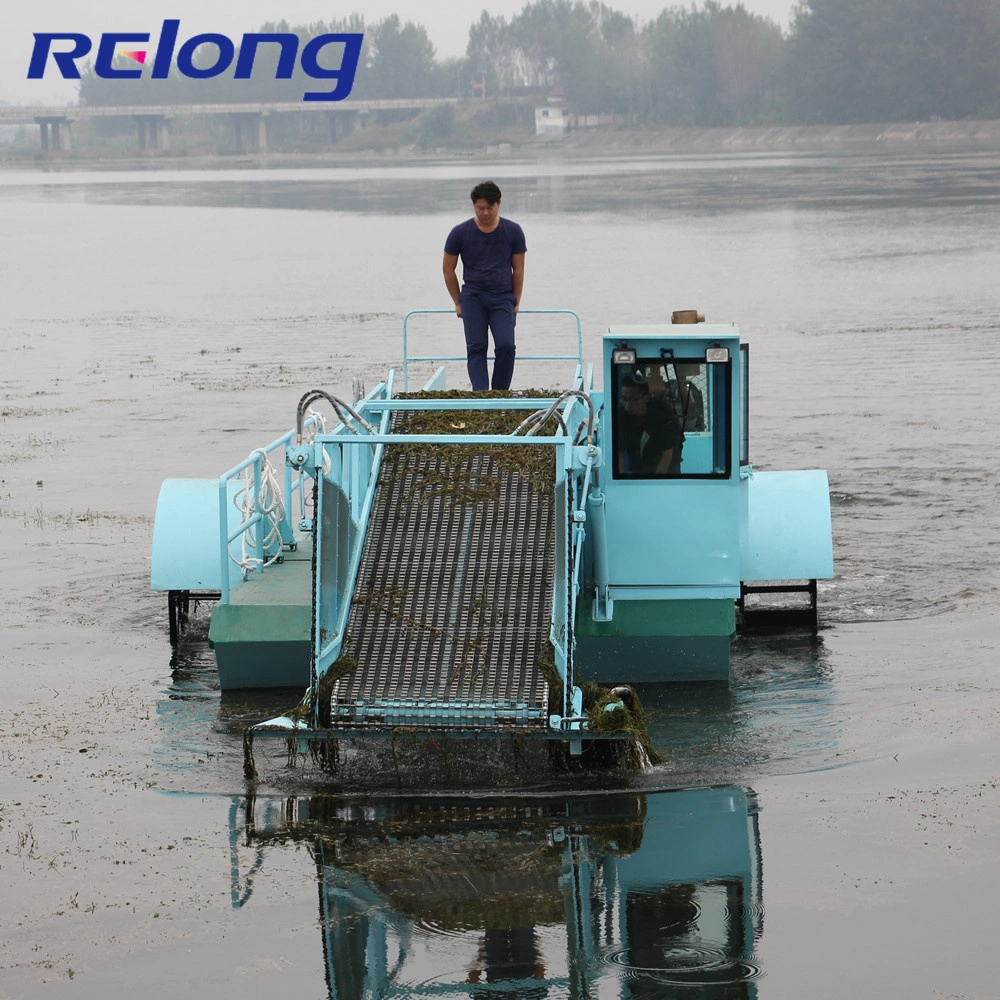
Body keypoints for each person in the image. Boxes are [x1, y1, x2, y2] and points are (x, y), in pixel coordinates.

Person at [443, 181, 526, 391]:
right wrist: (457, 301)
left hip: (502, 297)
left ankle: (499, 394)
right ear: (474, 206)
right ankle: (481, 395)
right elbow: (448, 269)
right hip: (472, 297)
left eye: (490, 207)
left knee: (506, 346)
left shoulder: (513, 231)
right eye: (481, 208)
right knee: (476, 347)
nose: (486, 212)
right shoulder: (459, 232)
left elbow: (519, 269)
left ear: (499, 204)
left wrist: (516, 300)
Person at [617, 370, 684, 475]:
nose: (628, 405)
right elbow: (619, 454)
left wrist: (657, 484)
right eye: (624, 399)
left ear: (646, 398)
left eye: (633, 399)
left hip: (668, 471)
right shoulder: (622, 417)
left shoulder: (663, 414)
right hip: (639, 469)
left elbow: (667, 455)